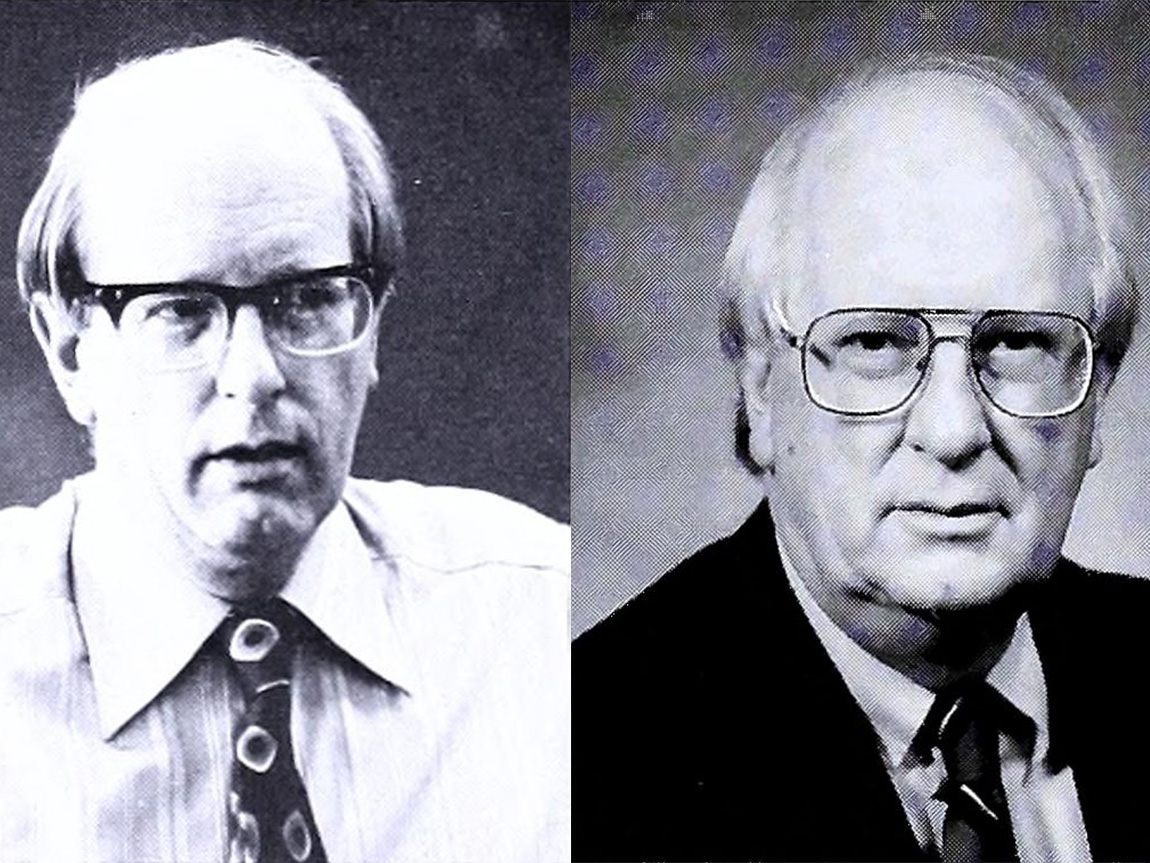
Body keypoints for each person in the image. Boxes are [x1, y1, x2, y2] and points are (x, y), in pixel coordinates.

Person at [0, 39, 569, 863]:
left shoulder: (542, 633)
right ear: (71, 351)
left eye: (306, 300)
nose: (254, 375)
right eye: (181, 310)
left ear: (371, 327)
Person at [574, 52, 1148, 863]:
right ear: (764, 393)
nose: (953, 431)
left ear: (1099, 392)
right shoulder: (584, 759)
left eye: (1017, 341)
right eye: (875, 341)